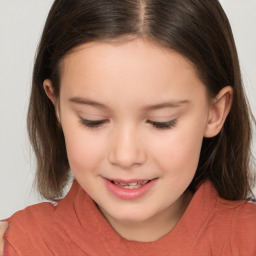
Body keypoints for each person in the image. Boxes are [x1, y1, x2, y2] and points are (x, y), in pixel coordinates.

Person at [1, 0, 256, 255]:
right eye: (93, 119)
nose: (125, 156)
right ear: (56, 106)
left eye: (161, 122)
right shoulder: (21, 246)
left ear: (215, 112)